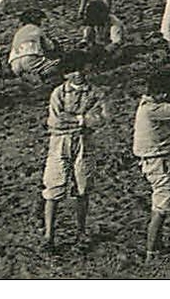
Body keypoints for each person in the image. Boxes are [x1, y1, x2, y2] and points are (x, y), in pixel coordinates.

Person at [40, 50, 107, 248]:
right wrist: (83, 120)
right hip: (60, 143)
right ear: (66, 73)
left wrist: (75, 120)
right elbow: (54, 122)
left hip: (85, 143)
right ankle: (49, 235)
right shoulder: (59, 93)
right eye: (72, 70)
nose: (77, 74)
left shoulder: (96, 93)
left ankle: (81, 231)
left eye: (81, 69)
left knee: (83, 188)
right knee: (54, 187)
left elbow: (100, 120)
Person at [132, 69, 170, 262]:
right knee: (162, 205)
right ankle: (151, 252)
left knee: (162, 203)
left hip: (154, 159)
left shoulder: (147, 106)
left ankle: (157, 244)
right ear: (163, 94)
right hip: (158, 161)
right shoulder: (153, 109)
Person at [8, 6, 59, 85]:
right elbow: (49, 47)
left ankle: (28, 77)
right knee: (56, 65)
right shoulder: (37, 29)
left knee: (25, 70)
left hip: (14, 61)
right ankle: (43, 78)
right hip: (30, 58)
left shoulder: (19, 32)